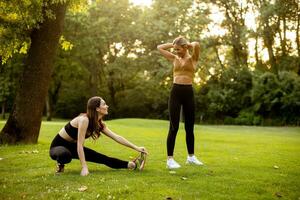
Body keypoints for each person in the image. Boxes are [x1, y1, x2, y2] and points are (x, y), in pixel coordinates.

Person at [49, 96, 148, 176]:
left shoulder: (99, 124)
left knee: (102, 158)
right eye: (104, 104)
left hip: (73, 147)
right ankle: (60, 164)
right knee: (65, 155)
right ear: (97, 108)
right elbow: (80, 145)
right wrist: (84, 167)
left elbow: (117, 137)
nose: (107, 106)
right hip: (58, 147)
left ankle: (131, 165)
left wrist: (136, 148)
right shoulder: (84, 120)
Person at [157, 36, 203, 169]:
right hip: (176, 92)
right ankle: (170, 159)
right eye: (174, 50)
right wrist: (173, 45)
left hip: (188, 93)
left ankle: (191, 157)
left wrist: (189, 44)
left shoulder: (193, 58)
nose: (176, 52)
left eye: (178, 49)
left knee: (190, 127)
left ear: (185, 47)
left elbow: (197, 45)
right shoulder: (174, 58)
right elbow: (159, 47)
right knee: (174, 126)